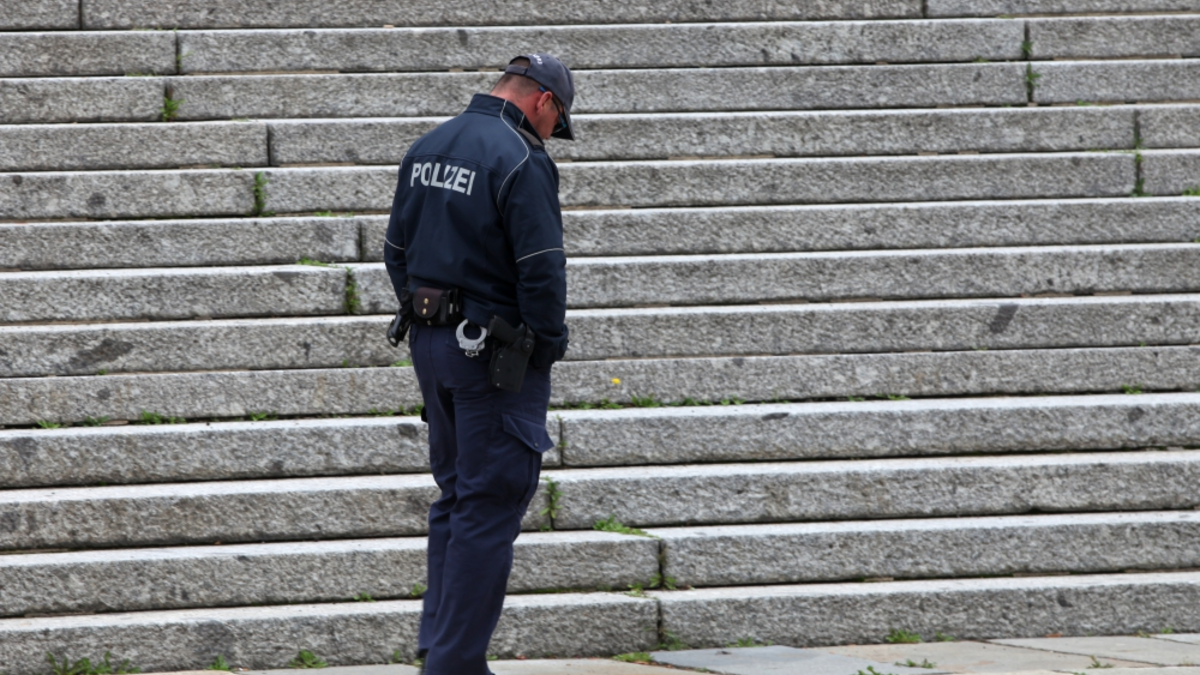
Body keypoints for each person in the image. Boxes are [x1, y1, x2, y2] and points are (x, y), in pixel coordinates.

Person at [383, 53, 575, 675]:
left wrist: (424, 318)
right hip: (492, 356)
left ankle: (440, 646)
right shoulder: (519, 156)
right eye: (556, 122)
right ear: (543, 101)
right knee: (489, 504)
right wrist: (542, 347)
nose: (552, 135)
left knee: (458, 495)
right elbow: (542, 266)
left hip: (432, 344)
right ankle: (455, 664)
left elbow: (395, 252)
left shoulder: (428, 146)